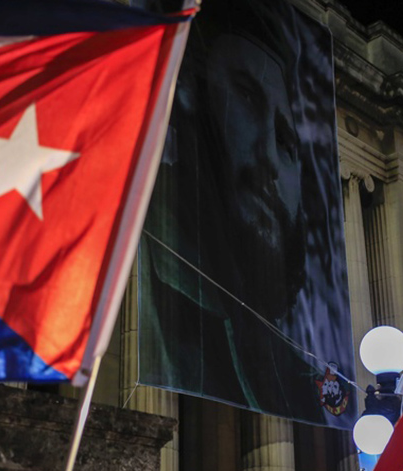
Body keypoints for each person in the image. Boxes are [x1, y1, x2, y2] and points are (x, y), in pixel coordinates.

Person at [139, 0, 353, 426]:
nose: (270, 160)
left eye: (286, 140)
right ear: (192, 102)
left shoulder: (297, 370)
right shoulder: (146, 283)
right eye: (247, 96)